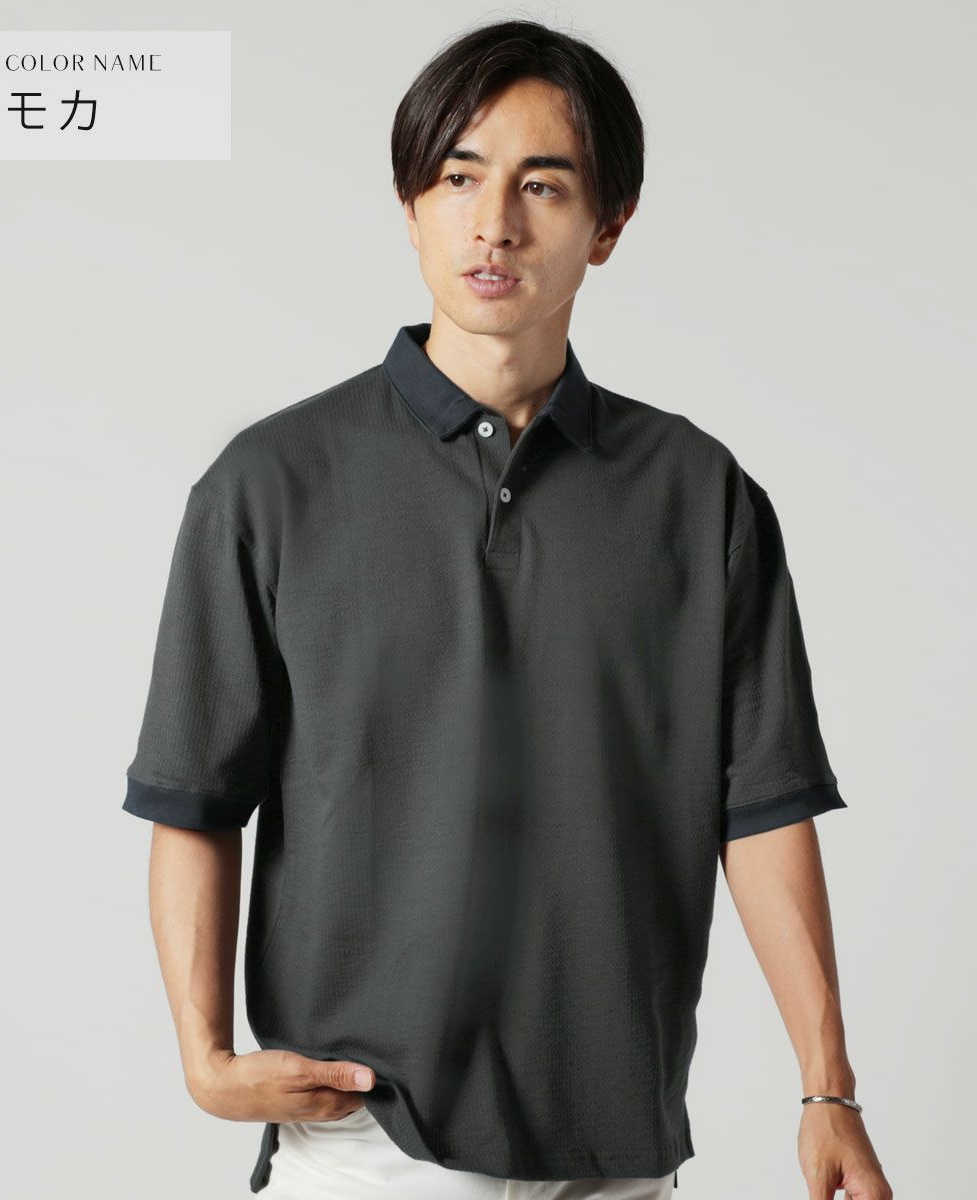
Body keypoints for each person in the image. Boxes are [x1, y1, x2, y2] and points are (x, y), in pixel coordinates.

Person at [122, 18, 893, 1200]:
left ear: (608, 225)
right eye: (457, 177)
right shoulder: (270, 484)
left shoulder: (699, 495)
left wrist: (826, 1089)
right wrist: (203, 1054)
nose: (494, 223)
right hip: (368, 1142)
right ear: (409, 204)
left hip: (616, 1152)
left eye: (542, 184)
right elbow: (195, 795)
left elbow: (763, 806)